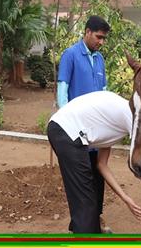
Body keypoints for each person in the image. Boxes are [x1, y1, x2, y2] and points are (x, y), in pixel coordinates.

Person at [47, 91, 141, 233]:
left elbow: (101, 164)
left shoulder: (112, 120)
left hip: (63, 130)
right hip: (67, 131)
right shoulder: (133, 117)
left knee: (87, 197)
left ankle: (83, 230)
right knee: (86, 200)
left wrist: (125, 198)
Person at [56, 15, 110, 232]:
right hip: (76, 133)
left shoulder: (100, 60)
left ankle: (95, 220)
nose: (101, 42)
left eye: (104, 38)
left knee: (97, 179)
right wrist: (68, 127)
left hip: (96, 134)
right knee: (80, 182)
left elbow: (104, 93)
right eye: (98, 37)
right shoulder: (70, 55)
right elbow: (62, 92)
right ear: (87, 32)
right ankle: (80, 225)